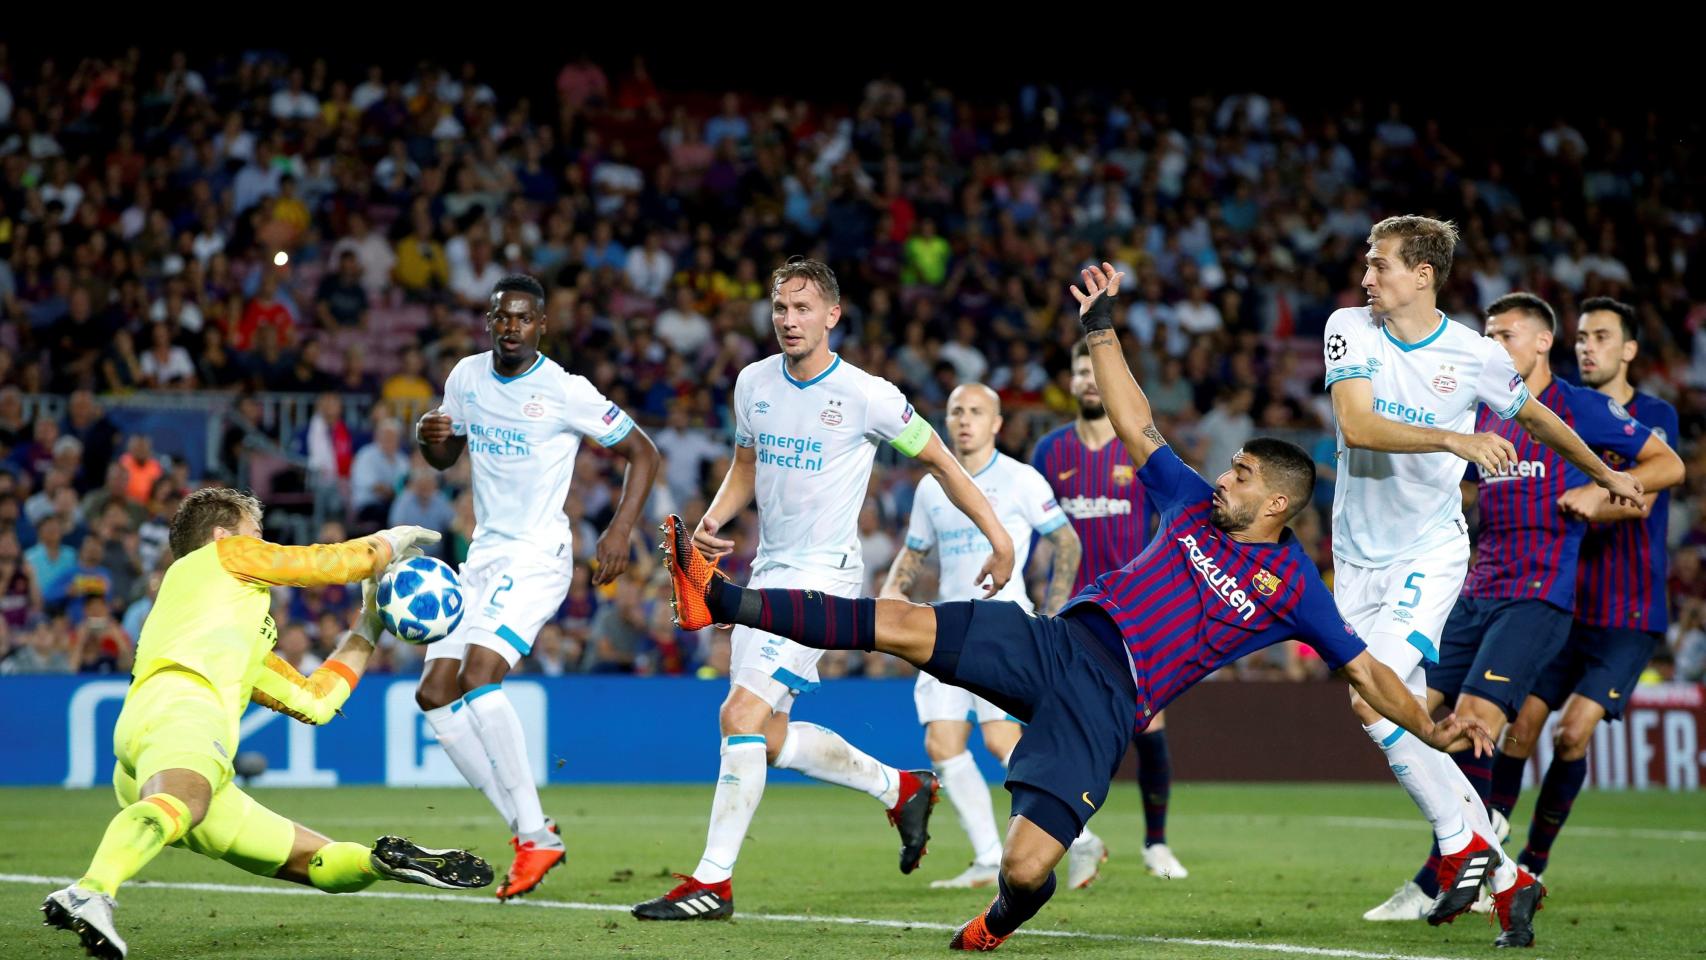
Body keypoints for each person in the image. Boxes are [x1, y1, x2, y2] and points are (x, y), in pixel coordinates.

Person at [653, 263, 1497, 951]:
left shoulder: (1294, 590)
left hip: (1106, 707)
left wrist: (1432, 728)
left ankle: (993, 925)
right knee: (899, 623)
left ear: (1277, 503)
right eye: (1230, 468)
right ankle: (719, 596)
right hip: (1058, 643)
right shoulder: (1190, 498)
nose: (1226, 476)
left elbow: (1367, 672)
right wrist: (1099, 326)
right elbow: (1139, 426)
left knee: (1024, 869)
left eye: (1242, 474)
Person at [632, 258, 1014, 921]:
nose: (789, 320)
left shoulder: (869, 395)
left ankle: (711, 884)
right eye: (780, 308)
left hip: (825, 579)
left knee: (739, 719)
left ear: (832, 316)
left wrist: (1000, 539)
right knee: (767, 736)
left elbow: (940, 462)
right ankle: (898, 787)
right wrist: (712, 522)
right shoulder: (752, 383)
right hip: (767, 570)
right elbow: (745, 466)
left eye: (803, 308)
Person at [1324, 217, 1636, 943]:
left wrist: (1603, 472)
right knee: (1373, 703)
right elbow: (1358, 424)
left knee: (1373, 697)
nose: (1366, 279)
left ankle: (1459, 844)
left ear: (1423, 274)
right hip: (1357, 557)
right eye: (1367, 266)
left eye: (1380, 267)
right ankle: (1505, 874)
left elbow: (1538, 421)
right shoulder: (1351, 328)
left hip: (1428, 554)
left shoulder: (1471, 354)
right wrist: (1454, 437)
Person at [40, 488, 484, 960]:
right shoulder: (220, 556)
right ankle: (91, 890)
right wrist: (385, 544)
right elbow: (318, 565)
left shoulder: (231, 632)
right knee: (184, 799)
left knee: (311, 861)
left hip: (163, 749)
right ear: (220, 535)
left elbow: (317, 702)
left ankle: (380, 862)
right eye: (257, 532)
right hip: (181, 712)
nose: (263, 543)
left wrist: (369, 622)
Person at [1390, 293, 1683, 914]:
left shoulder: (1579, 411)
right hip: (1477, 592)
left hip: (1556, 598)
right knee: (1400, 712)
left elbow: (1662, 469)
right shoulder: (1486, 412)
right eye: (1487, 335)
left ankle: (1482, 865)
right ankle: (1479, 844)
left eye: (1504, 335)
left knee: (1512, 726)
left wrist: (1600, 496)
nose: (1491, 346)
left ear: (1541, 342)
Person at [414, 273, 659, 900]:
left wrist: (618, 530)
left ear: (542, 325)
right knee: (435, 694)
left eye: (523, 318)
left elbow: (644, 453)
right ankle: (532, 831)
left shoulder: (565, 391)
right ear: (489, 321)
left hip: (540, 555)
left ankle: (532, 834)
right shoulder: (465, 378)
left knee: (478, 676)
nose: (510, 327)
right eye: (501, 317)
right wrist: (430, 442)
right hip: (486, 553)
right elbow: (448, 456)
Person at [1488, 297, 1684, 881]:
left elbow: (1650, 490)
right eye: (1580, 336)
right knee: (1519, 726)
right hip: (1563, 601)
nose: (1587, 346)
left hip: (1627, 611)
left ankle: (1535, 860)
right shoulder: (1557, 410)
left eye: (1601, 336)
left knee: (1572, 735)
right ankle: (1488, 849)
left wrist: (1599, 495)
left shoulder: (1653, 417)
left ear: (1628, 350)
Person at [882, 383, 1082, 890]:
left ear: (996, 424)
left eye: (976, 412)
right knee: (942, 741)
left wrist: (1053, 613)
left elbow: (1067, 542)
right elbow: (914, 554)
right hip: (944, 627)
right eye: (955, 411)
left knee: (1002, 740)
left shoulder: (1020, 479)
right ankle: (988, 854)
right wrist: (885, 611)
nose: (964, 420)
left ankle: (1073, 835)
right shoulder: (933, 486)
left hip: (1004, 628)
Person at [1033, 339, 1181, 884]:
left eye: (1097, 371)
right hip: (1071, 612)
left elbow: (1173, 521)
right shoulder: (1049, 451)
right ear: (1070, 382)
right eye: (1080, 371)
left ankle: (1157, 843)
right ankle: (1074, 839)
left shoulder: (1139, 448)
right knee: (1055, 727)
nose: (1090, 380)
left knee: (1150, 725)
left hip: (1136, 612)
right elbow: (1037, 532)